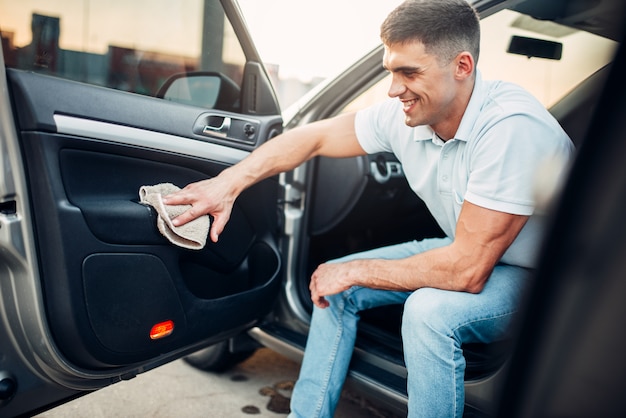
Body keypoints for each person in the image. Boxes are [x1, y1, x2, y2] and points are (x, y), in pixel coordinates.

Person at [163, 0, 574, 416]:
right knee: (334, 286)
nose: (395, 89)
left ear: (462, 66)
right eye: (390, 71)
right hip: (469, 249)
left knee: (427, 312)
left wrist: (355, 270)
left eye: (409, 72)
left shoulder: (510, 128)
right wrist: (225, 185)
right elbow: (313, 138)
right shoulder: (407, 115)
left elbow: (466, 271)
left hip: (552, 281)